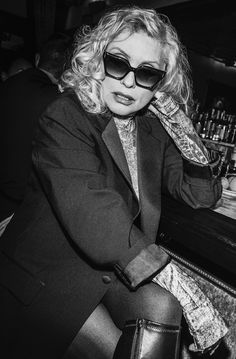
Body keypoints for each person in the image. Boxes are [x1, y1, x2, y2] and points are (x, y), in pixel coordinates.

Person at [0, 7, 223, 359]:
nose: (130, 82)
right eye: (118, 63)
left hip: (106, 272)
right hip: (46, 273)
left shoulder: (150, 130)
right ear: (97, 60)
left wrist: (180, 123)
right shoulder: (66, 115)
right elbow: (95, 216)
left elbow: (200, 193)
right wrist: (186, 290)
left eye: (148, 73)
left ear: (160, 84)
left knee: (163, 309)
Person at [0, 33, 71, 236]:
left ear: (38, 59)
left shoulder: (9, 85)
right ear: (68, 70)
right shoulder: (58, 103)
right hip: (17, 207)